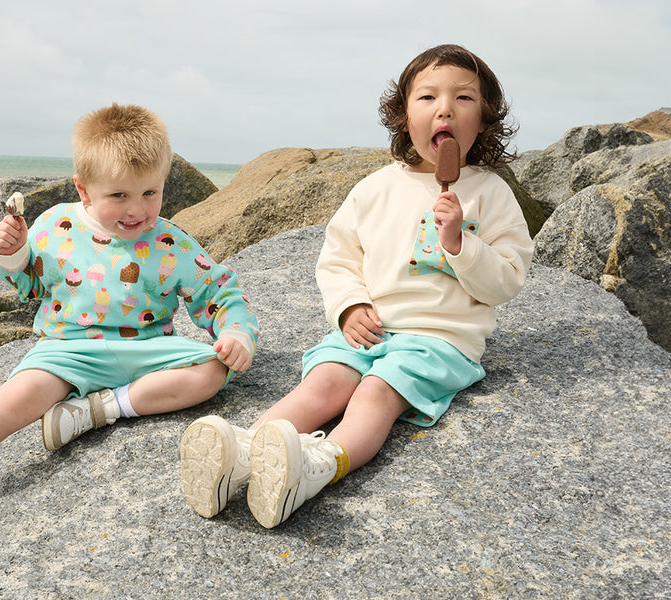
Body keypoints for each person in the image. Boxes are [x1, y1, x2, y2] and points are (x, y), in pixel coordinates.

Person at [0, 104, 261, 557]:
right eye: (119, 196)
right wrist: (11, 255)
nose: (138, 210)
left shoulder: (171, 242)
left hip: (149, 351)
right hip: (69, 349)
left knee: (211, 370)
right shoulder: (56, 226)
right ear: (83, 191)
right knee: (15, 399)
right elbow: (27, 284)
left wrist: (235, 332)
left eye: (150, 192)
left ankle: (95, 411)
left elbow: (218, 291)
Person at [177, 44, 533, 528]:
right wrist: (349, 306)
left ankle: (322, 466)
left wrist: (460, 245)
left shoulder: (490, 193)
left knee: (374, 393)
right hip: (370, 328)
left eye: (463, 99)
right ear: (404, 116)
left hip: (439, 339)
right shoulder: (376, 188)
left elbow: (507, 279)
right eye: (427, 97)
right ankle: (242, 453)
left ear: (485, 121)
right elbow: (339, 256)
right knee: (321, 384)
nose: (444, 108)